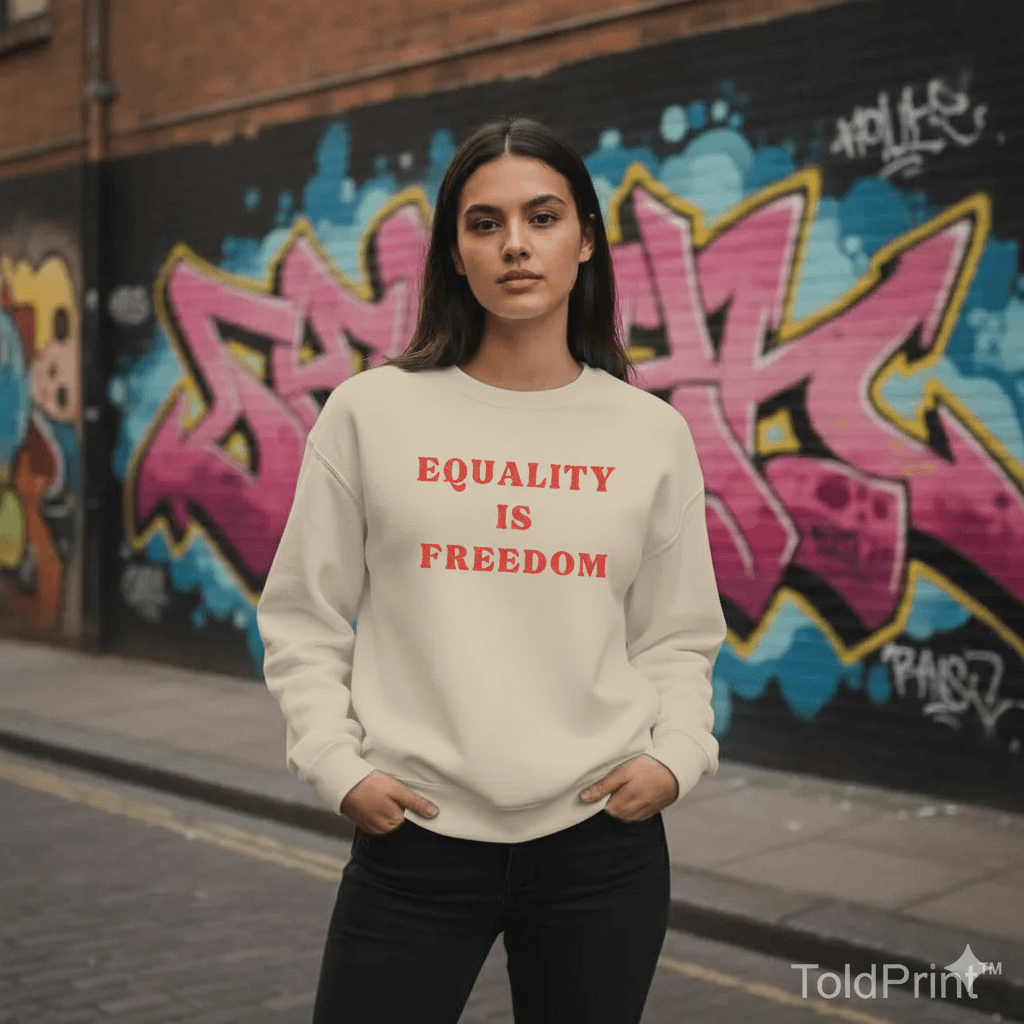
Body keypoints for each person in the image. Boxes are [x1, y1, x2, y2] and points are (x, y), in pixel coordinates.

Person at [257, 115, 727, 1024]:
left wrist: (676, 756)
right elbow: (303, 615)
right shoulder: (370, 413)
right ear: (454, 251)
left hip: (602, 844)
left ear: (585, 240)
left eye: (543, 217)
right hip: (415, 840)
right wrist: (333, 762)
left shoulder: (649, 433)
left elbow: (677, 634)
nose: (516, 243)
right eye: (485, 223)